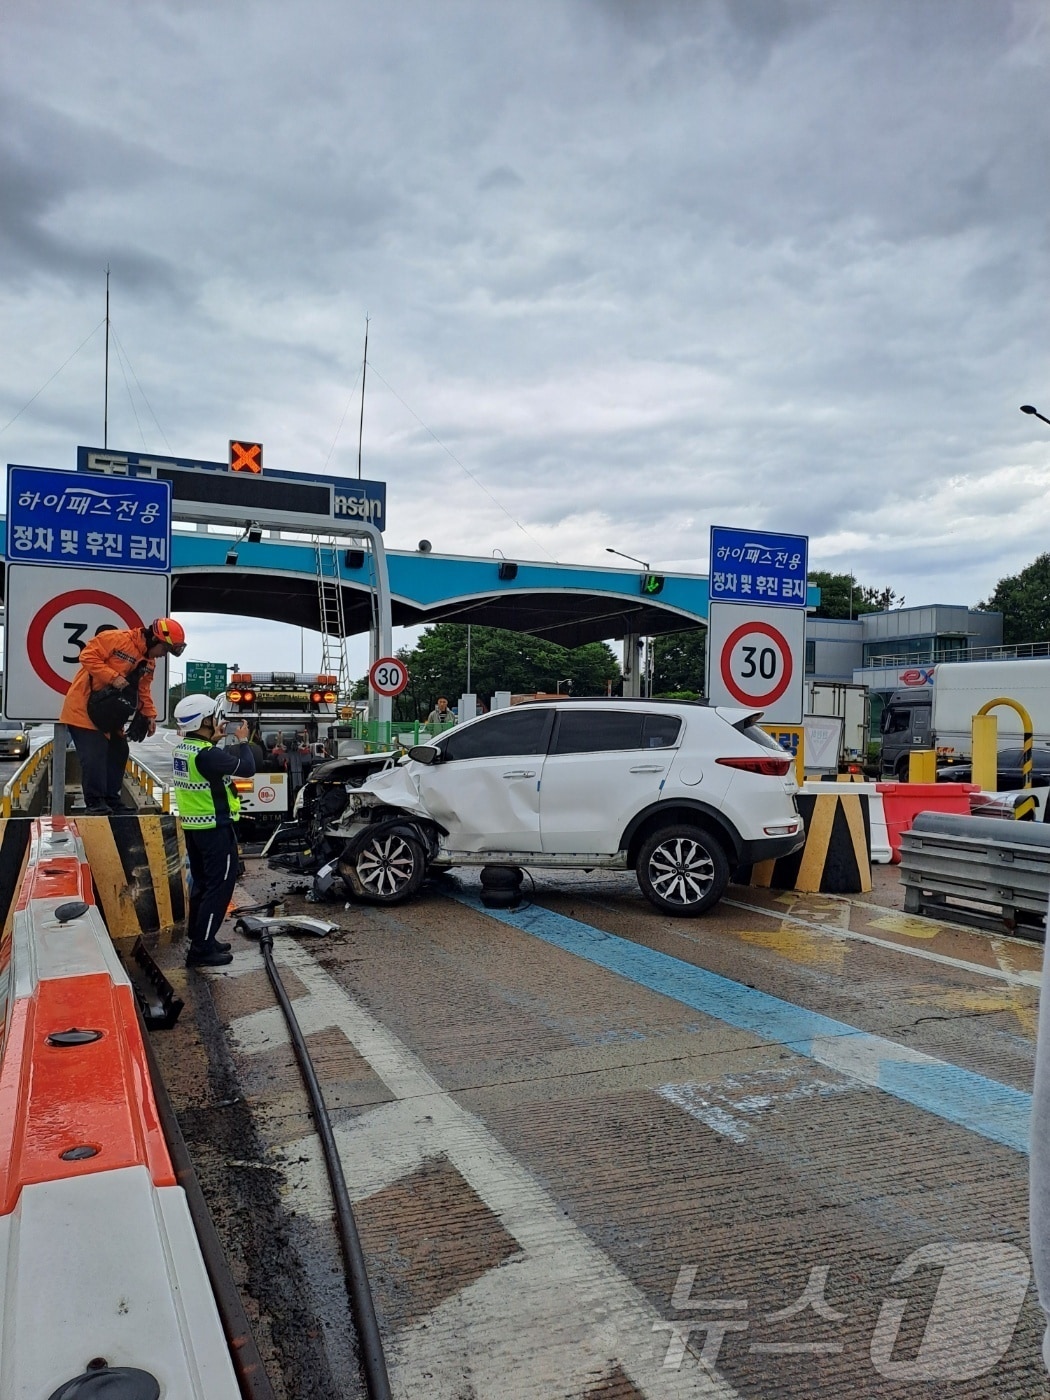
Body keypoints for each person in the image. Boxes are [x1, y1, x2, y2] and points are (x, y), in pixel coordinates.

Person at [60, 616, 187, 815]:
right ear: (154, 640)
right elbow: (87, 657)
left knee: (119, 751)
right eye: (164, 649)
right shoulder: (116, 639)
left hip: (108, 716)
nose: (164, 655)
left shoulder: (149, 662)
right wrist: (113, 677)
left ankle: (112, 800)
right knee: (95, 756)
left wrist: (149, 715)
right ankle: (95, 804)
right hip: (83, 711)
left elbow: (143, 689)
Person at [171, 693, 256, 968]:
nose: (219, 720)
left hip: (195, 827)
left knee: (203, 885)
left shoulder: (185, 750)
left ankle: (203, 938)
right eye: (214, 717)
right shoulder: (207, 756)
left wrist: (214, 740)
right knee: (218, 888)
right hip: (215, 829)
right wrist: (243, 740)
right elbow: (248, 768)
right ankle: (201, 950)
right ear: (205, 720)